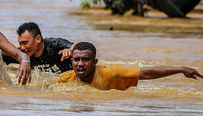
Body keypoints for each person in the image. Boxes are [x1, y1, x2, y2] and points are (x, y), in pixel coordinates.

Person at [56, 42, 203, 91]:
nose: (80, 64)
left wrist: (181, 69)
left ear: (95, 62)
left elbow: (146, 73)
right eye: (76, 60)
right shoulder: (65, 79)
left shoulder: (112, 72)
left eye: (85, 60)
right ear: (72, 62)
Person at [2, 22, 74, 73]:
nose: (22, 47)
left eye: (25, 43)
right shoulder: (21, 55)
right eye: (20, 44)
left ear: (38, 39)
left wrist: (71, 51)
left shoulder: (55, 45)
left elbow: (79, 48)